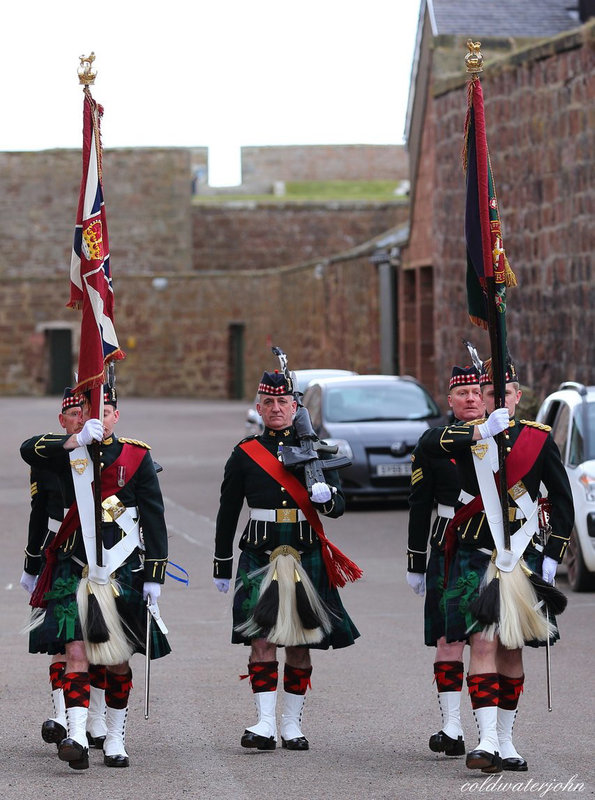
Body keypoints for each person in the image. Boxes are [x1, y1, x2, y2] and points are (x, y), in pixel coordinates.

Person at [418, 358, 573, 774]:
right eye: (487, 394)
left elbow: (562, 500)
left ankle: (506, 739)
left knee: (511, 647)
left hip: (521, 556)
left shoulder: (537, 440)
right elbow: (429, 445)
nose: (494, 399)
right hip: (475, 553)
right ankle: (485, 739)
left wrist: (553, 556)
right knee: (482, 643)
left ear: (518, 397)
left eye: (503, 393)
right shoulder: (469, 438)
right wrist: (481, 431)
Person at [20, 384, 170, 770]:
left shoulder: (137, 456)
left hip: (121, 569)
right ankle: (76, 735)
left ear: (116, 415)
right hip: (75, 564)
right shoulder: (66, 454)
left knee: (118, 660)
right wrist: (74, 440)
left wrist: (155, 574)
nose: (98, 419)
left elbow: (153, 517)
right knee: (75, 651)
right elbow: (28, 449)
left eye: (104, 412)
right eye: (90, 412)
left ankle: (116, 737)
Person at [213, 370, 360, 751]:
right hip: (259, 555)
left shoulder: (317, 450)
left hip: (304, 552)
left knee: (300, 643)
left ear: (295, 408)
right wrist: (221, 563)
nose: (276, 409)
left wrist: (327, 498)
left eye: (283, 403)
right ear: (259, 409)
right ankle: (264, 723)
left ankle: (292, 724)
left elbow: (339, 508)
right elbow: (228, 511)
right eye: (269, 403)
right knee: (261, 640)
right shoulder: (245, 453)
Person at [20, 388, 109, 751]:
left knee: (103, 642)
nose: (81, 418)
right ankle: (63, 714)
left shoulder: (119, 453)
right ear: (63, 421)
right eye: (73, 414)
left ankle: (98, 718)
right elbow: (39, 511)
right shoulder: (53, 455)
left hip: (106, 558)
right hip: (62, 554)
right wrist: (31, 563)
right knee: (63, 638)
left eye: (87, 412)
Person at [406, 365, 485, 758]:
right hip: (447, 549)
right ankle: (452, 726)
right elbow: (419, 505)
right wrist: (415, 560)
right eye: (463, 393)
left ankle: (492, 735)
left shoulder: (508, 437)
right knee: (448, 641)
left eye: (477, 391)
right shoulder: (433, 441)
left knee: (491, 645)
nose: (471, 398)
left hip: (493, 549)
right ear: (450, 401)